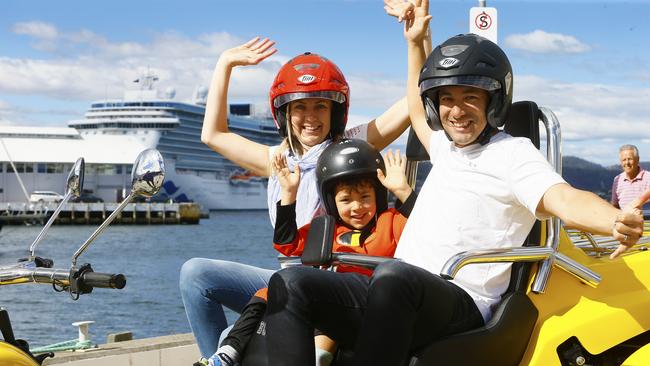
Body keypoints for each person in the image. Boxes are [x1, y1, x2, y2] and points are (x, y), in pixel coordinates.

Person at [263, 2, 646, 365]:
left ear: (494, 100)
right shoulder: (445, 146)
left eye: (470, 97)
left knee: (394, 277)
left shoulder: (514, 153)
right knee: (291, 283)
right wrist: (414, 43)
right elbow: (415, 107)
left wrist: (613, 220)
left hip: (463, 300)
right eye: (446, 99)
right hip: (397, 293)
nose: (457, 110)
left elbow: (563, 198)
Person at [181, 36, 414, 362]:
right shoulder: (277, 159)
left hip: (334, 281)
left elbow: (411, 103)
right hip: (284, 276)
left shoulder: (348, 148)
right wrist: (225, 64)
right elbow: (213, 135)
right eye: (299, 106)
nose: (310, 116)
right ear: (284, 113)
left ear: (336, 110)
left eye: (320, 105)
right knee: (195, 274)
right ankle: (215, 361)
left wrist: (416, 40)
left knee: (233, 333)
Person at [206, 139, 416, 366]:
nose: (357, 207)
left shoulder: (391, 222)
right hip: (329, 297)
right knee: (267, 292)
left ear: (378, 196)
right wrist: (288, 194)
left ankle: (318, 357)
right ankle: (230, 350)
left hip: (367, 305)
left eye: (365, 197)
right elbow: (287, 245)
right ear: (332, 201)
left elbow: (424, 229)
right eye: (346, 200)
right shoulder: (326, 229)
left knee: (321, 298)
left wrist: (403, 191)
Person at [611, 144, 650, 210]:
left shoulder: (648, 177)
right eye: (624, 160)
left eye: (630, 159)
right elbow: (615, 205)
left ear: (637, 159)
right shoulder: (617, 180)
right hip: (624, 219)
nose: (627, 163)